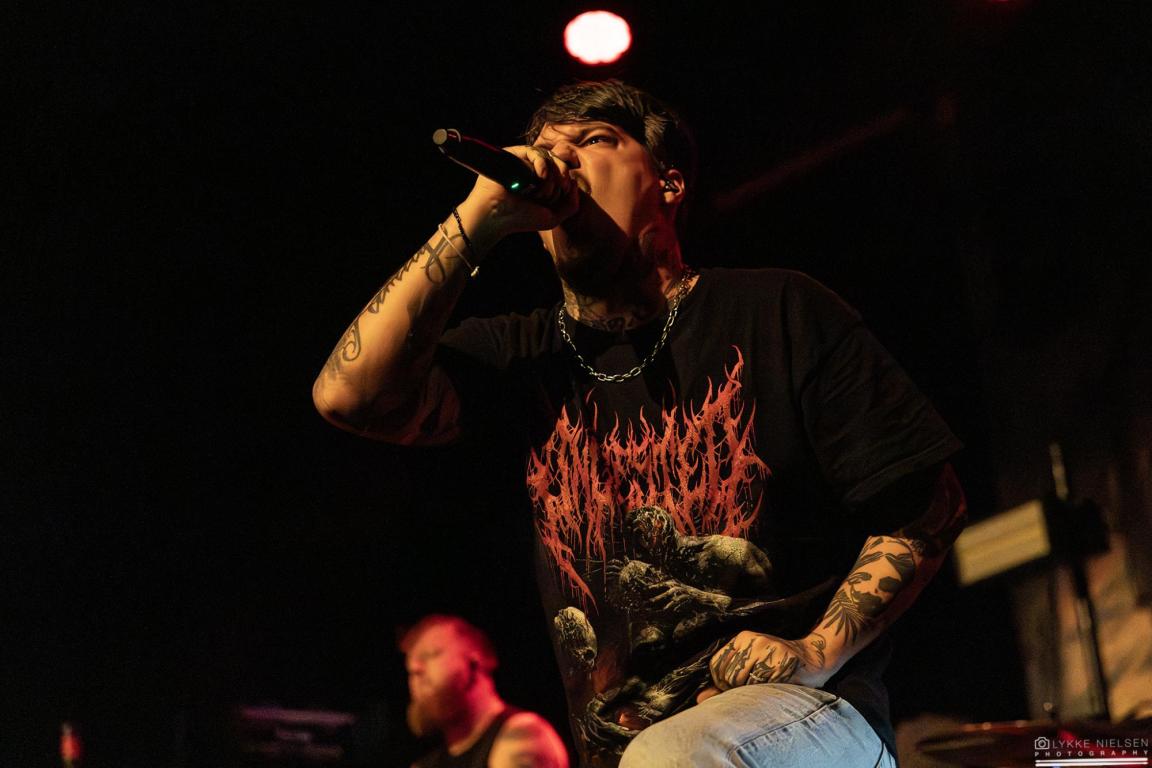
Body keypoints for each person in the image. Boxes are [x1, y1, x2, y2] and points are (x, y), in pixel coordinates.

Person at [313, 79, 968, 767]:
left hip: (810, 713)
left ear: (669, 183)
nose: (559, 162)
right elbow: (348, 396)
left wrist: (814, 650)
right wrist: (475, 222)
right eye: (546, 150)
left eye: (593, 141)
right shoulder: (522, 357)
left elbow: (931, 507)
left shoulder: (777, 310)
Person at [401, 614, 569, 768]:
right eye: (410, 665)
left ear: (474, 662)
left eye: (431, 654)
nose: (416, 668)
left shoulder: (523, 737)